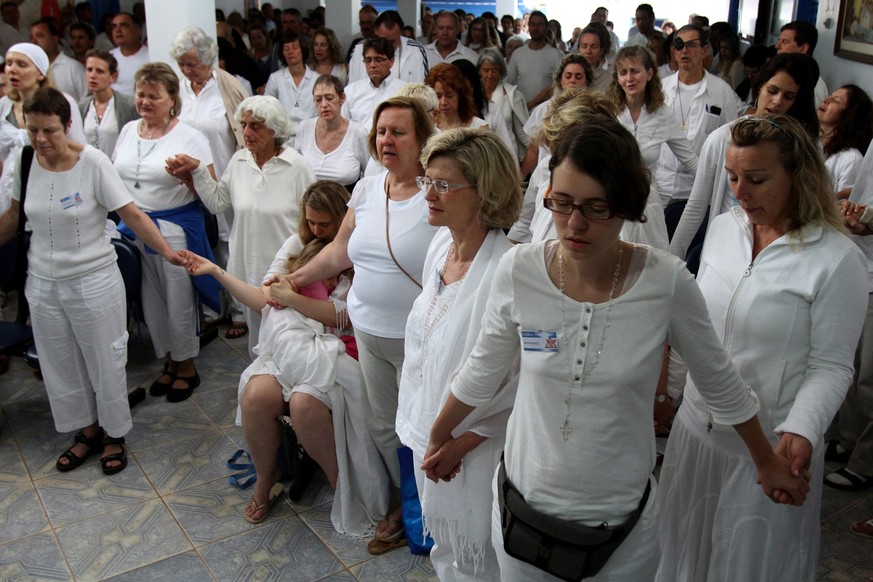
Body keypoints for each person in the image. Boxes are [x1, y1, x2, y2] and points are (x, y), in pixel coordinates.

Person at [427, 117, 808, 581]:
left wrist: (766, 461)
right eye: (562, 203)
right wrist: (440, 433)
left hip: (622, 527)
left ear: (627, 205)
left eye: (596, 208)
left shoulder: (665, 282)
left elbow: (719, 380)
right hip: (523, 515)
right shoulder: (520, 270)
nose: (575, 224)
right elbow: (482, 370)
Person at [656, 114, 867, 582]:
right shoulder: (725, 229)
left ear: (798, 175)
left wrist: (803, 429)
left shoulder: (835, 260)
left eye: (756, 179)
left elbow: (831, 367)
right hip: (695, 433)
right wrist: (669, 388)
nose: (739, 192)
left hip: (767, 449)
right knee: (681, 557)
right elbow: (700, 328)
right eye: (732, 177)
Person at [183, 182, 390, 533]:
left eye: (325, 224)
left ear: (344, 220)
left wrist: (292, 298)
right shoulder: (298, 244)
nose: (317, 231)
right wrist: (217, 273)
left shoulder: (360, 252)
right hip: (290, 348)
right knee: (256, 396)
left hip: (340, 350)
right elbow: (266, 298)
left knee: (304, 404)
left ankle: (342, 484)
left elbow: (344, 317)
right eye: (311, 223)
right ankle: (268, 477)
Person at [0, 87, 184, 475]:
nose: (41, 140)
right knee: (59, 363)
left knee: (105, 360)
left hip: (94, 282)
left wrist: (167, 252)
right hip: (43, 284)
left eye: (49, 130)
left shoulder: (93, 163)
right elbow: (14, 216)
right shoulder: (25, 158)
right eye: (33, 130)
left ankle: (114, 434)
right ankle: (86, 430)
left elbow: (131, 215)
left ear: (68, 125)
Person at [286, 97, 439, 554]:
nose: (386, 140)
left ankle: (434, 509)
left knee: (425, 426)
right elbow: (337, 253)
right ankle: (406, 504)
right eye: (381, 132)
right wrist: (292, 279)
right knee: (383, 426)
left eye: (399, 132)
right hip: (367, 333)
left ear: (423, 140)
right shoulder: (369, 189)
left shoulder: (439, 191)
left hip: (420, 339)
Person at [396, 128, 521, 580]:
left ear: (485, 191)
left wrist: (459, 443)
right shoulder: (439, 249)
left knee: (481, 552)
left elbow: (519, 380)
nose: (428, 193)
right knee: (445, 548)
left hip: (476, 445)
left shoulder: (507, 269)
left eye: (443, 185)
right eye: (427, 180)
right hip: (427, 431)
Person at [166, 94, 314, 356]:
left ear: (275, 129)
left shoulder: (297, 166)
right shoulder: (239, 161)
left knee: (288, 340)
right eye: (243, 125)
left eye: (255, 126)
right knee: (257, 343)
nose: (246, 132)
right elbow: (217, 203)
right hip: (247, 267)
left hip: (285, 272)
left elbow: (312, 223)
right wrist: (198, 172)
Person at [113, 63, 218, 403]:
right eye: (141, 94)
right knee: (152, 300)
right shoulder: (129, 130)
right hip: (134, 227)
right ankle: (170, 361)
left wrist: (191, 174)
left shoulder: (189, 136)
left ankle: (186, 364)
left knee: (178, 301)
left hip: (174, 227)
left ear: (172, 99)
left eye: (153, 96)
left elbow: (211, 187)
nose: (144, 101)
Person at [669, 53, 819, 259]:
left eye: (788, 96)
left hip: (780, 251)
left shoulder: (801, 148)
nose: (777, 102)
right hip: (727, 248)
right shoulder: (722, 139)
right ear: (760, 87)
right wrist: (672, 258)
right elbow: (696, 207)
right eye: (772, 91)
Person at [610, 45, 697, 250]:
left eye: (635, 71)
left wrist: (722, 189)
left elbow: (691, 161)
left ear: (649, 73)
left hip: (646, 207)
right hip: (611, 204)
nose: (629, 78)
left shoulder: (662, 114)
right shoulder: (608, 112)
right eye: (623, 72)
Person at [654, 25, 740, 210]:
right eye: (679, 45)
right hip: (660, 185)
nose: (684, 50)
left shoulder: (721, 92)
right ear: (674, 52)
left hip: (697, 191)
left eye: (691, 45)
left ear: (704, 50)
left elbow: (731, 141)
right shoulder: (659, 89)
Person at [0, 43, 85, 213]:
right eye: (9, 63)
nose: (12, 70)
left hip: (52, 188)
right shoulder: (3, 106)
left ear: (40, 73)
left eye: (21, 65)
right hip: (11, 189)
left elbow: (77, 149)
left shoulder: (62, 102)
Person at [294, 75, 369, 189]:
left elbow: (370, 175)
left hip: (346, 202)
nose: (324, 105)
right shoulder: (304, 128)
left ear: (342, 98)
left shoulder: (358, 133)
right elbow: (296, 170)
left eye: (329, 98)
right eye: (318, 100)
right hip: (309, 199)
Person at [78, 49, 139, 157]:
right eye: (89, 70)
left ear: (113, 77)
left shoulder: (129, 106)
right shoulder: (82, 106)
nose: (92, 75)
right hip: (90, 169)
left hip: (118, 168)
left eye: (99, 71)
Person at [343, 38, 408, 133]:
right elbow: (342, 125)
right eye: (368, 60)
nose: (372, 65)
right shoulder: (351, 91)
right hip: (358, 146)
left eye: (378, 60)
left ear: (391, 61)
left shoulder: (404, 91)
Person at [347, 11, 428, 85]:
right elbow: (351, 87)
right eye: (382, 40)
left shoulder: (416, 50)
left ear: (400, 33)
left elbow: (426, 89)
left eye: (392, 41)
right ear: (375, 31)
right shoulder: (359, 49)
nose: (387, 45)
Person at [817, 85, 873, 193]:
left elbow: (844, 206)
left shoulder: (851, 159)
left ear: (849, 115)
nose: (826, 99)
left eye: (836, 100)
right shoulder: (815, 142)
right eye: (830, 96)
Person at [478, 48, 529, 163]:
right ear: (479, 71)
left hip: (506, 158)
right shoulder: (473, 95)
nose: (490, 75)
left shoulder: (512, 95)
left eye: (494, 70)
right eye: (485, 70)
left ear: (501, 72)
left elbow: (523, 133)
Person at [505, 11, 563, 111]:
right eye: (532, 24)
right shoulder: (518, 53)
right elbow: (508, 82)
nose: (536, 28)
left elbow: (558, 84)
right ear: (528, 26)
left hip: (546, 112)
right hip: (521, 112)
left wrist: (531, 104)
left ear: (546, 28)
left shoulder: (556, 55)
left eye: (540, 24)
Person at [264, 32, 317, 131]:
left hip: (312, 133)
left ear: (302, 50)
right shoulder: (275, 78)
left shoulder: (317, 79)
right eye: (286, 49)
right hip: (284, 135)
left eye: (295, 47)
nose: (290, 52)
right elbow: (266, 108)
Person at [30, 20, 86, 101]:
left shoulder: (73, 67)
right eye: (31, 38)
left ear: (55, 39)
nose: (34, 42)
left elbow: (86, 102)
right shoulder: (31, 70)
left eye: (40, 36)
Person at [776, 21, 828, 107]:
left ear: (803, 48)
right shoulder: (786, 74)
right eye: (779, 41)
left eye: (785, 42)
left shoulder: (814, 86)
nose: (777, 46)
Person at [425, 62, 486, 131]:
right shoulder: (427, 127)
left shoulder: (479, 127)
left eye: (449, 95)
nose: (443, 102)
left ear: (460, 95)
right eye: (438, 96)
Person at [109, 13, 148, 96]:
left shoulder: (150, 56)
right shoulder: (108, 57)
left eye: (123, 26)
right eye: (114, 27)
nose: (118, 30)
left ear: (138, 31)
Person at [577, 22, 613, 94]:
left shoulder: (610, 80)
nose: (588, 51)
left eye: (593, 47)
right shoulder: (568, 75)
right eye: (584, 46)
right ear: (578, 49)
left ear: (601, 50)